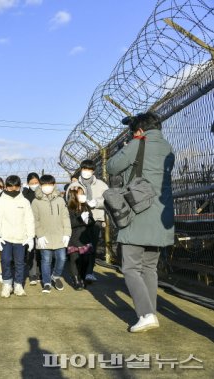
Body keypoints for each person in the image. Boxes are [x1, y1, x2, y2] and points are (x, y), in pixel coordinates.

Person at [107, 112, 175, 333]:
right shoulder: (168, 148)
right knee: (149, 268)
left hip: (137, 213)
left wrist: (131, 145)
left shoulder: (138, 143)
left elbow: (112, 167)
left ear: (139, 130)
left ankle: (145, 314)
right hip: (158, 216)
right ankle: (150, 312)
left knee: (130, 267)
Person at [0, 175, 35, 298]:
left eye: (16, 188)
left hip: (20, 238)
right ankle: (7, 284)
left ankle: (18, 285)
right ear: (6, 187)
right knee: (5, 261)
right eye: (10, 188)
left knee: (20, 262)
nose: (13, 190)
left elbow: (29, 220)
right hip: (5, 238)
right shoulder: (1, 202)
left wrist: (30, 236)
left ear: (19, 187)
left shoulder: (25, 202)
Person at [31, 175, 71, 294]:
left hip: (59, 235)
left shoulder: (60, 200)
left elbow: (65, 217)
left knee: (62, 258)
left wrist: (67, 233)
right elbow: (34, 219)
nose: (47, 187)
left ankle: (56, 276)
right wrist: (39, 234)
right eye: (44, 185)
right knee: (46, 260)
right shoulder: (36, 201)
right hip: (44, 236)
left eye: (49, 184)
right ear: (41, 186)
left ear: (54, 185)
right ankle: (47, 282)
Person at [78, 159, 109, 284]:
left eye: (89, 170)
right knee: (81, 246)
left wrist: (96, 202)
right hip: (79, 219)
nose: (86, 172)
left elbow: (108, 200)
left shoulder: (101, 185)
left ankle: (89, 272)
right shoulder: (76, 185)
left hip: (96, 219)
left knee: (92, 246)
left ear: (93, 171)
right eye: (84, 169)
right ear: (81, 169)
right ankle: (81, 272)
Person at [65, 182, 95, 290]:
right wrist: (81, 219)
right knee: (74, 258)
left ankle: (82, 276)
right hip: (73, 238)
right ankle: (76, 280)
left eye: (83, 193)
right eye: (79, 193)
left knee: (85, 260)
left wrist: (89, 220)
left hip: (85, 237)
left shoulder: (86, 207)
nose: (82, 195)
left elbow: (92, 221)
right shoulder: (69, 208)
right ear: (74, 195)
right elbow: (70, 223)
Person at [22, 172, 41, 285]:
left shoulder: (42, 193)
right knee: (31, 251)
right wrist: (24, 191)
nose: (34, 184)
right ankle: (32, 274)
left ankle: (40, 273)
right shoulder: (26, 194)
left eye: (36, 182)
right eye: (31, 183)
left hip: (41, 225)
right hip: (29, 226)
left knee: (41, 251)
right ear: (28, 183)